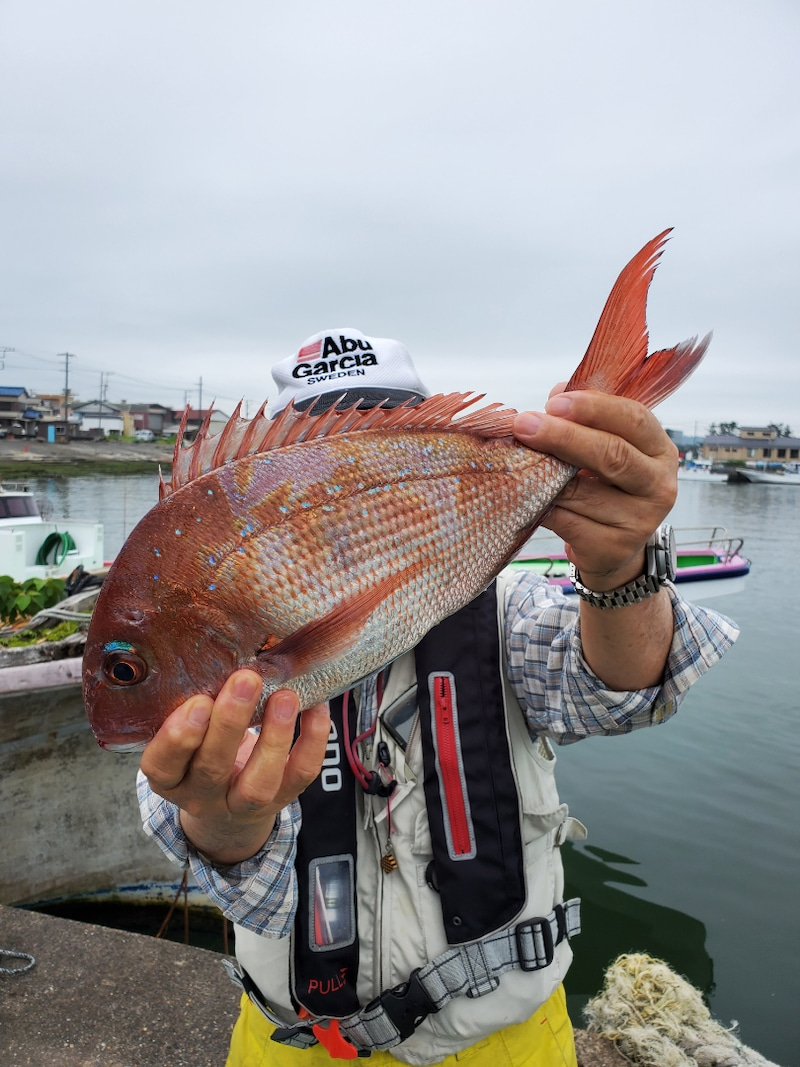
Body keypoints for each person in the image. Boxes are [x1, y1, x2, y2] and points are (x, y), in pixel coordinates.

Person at [136, 328, 738, 1066]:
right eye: (317, 467)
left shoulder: (506, 606)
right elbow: (215, 854)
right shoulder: (215, 654)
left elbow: (620, 692)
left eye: (382, 448)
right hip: (292, 1046)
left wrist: (620, 572)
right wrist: (226, 821)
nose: (343, 498)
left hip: (509, 1046)